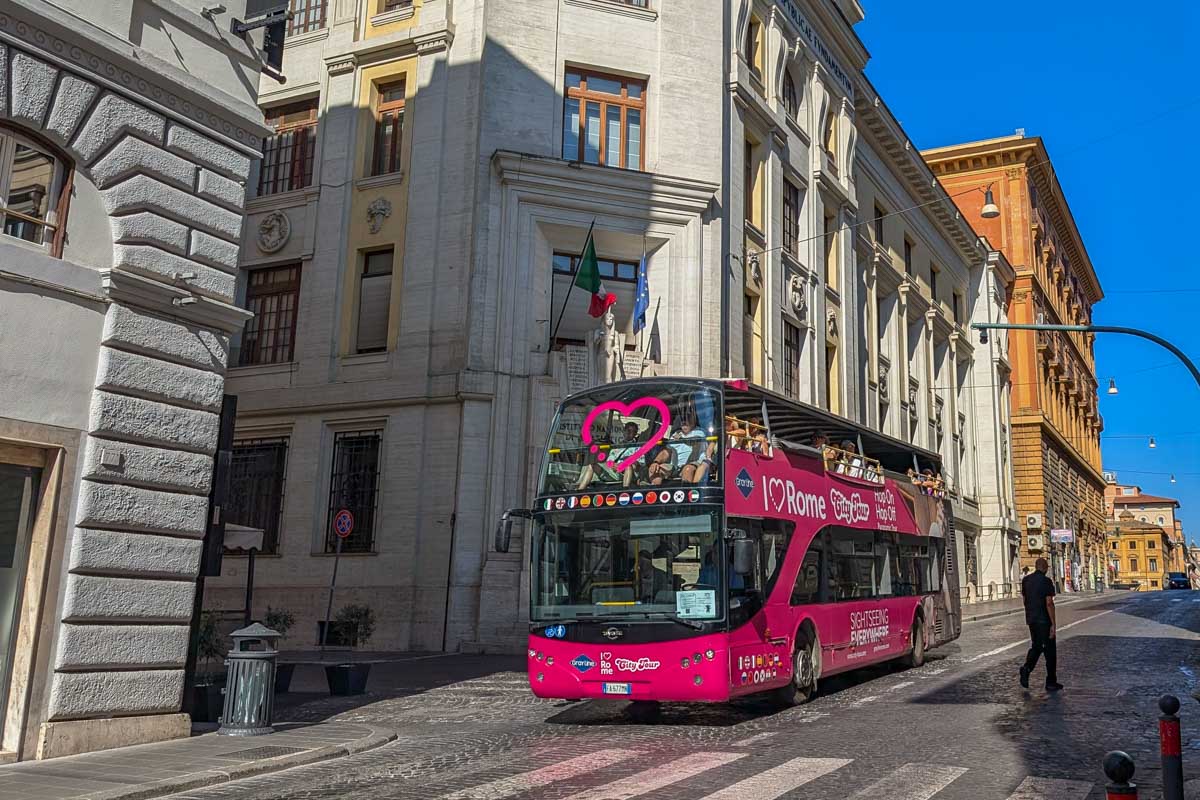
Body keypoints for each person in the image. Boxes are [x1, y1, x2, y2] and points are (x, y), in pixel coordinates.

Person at [1019, 557, 1062, 691]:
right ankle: (1050, 681)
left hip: (1032, 619)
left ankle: (1026, 669)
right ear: (1045, 568)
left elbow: (1024, 599)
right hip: (1044, 620)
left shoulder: (1026, 580)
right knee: (1050, 652)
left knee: (1037, 646)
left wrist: (1030, 612)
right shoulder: (1046, 581)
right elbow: (1049, 603)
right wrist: (1053, 624)